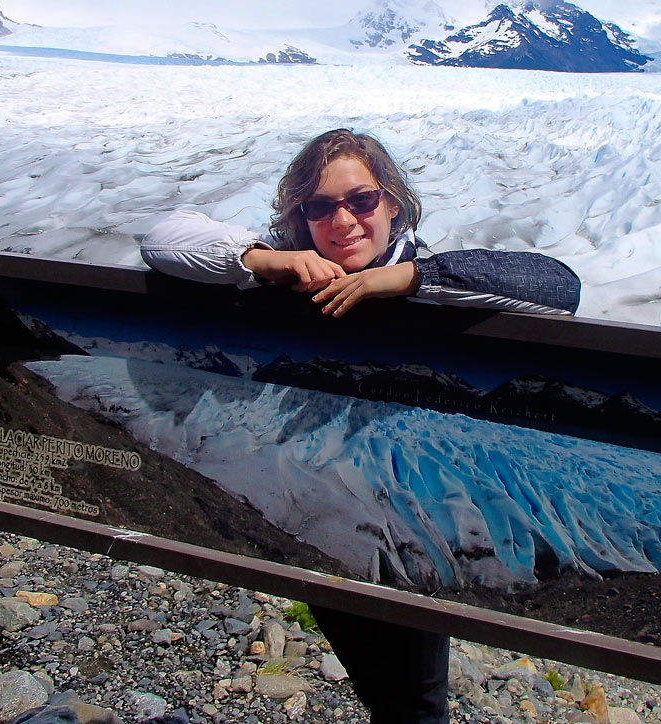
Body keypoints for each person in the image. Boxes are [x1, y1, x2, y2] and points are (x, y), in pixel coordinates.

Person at [140, 128, 580, 724]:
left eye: (361, 201)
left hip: (403, 512)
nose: (342, 220)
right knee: (386, 685)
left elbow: (557, 285)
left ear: (392, 203)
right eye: (319, 207)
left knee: (414, 696)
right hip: (316, 504)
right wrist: (260, 261)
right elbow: (162, 240)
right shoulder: (292, 263)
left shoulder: (428, 272)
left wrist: (403, 280)